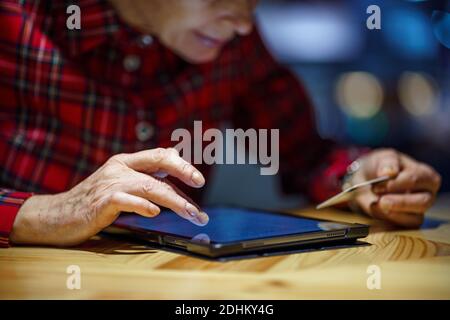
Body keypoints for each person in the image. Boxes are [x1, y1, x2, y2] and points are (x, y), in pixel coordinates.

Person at [0, 0, 441, 247]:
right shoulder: (17, 20)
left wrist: (361, 177)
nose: (245, 24)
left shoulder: (231, 41)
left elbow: (308, 154)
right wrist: (41, 213)